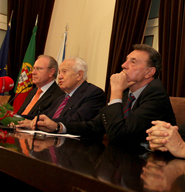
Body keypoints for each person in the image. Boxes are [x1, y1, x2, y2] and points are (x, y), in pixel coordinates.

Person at [35, 44, 176, 145]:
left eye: (132, 62)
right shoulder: (128, 93)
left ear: (149, 72)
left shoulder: (155, 94)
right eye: (126, 60)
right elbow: (95, 126)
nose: (123, 65)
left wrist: (115, 92)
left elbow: (119, 136)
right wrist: (58, 127)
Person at [33, 57, 105, 129]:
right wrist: (23, 119)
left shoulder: (93, 93)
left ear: (79, 75)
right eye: (59, 73)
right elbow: (44, 115)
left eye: (64, 72)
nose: (59, 77)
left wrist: (43, 123)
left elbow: (76, 120)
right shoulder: (61, 98)